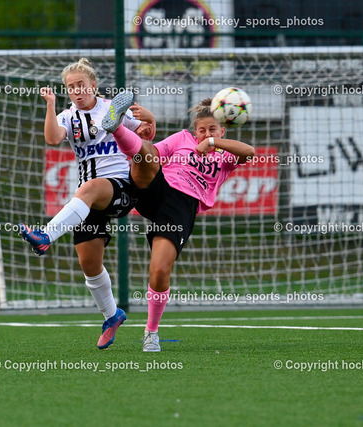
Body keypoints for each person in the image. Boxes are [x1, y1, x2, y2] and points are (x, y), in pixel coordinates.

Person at [18, 58, 156, 349]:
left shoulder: (111, 108)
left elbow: (145, 133)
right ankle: (111, 315)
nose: (77, 91)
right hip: (88, 198)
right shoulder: (68, 116)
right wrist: (51, 104)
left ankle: (45, 236)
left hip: (120, 188)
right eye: (71, 87)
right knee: (88, 263)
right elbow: (53, 138)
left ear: (93, 85)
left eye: (81, 85)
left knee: (91, 187)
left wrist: (148, 123)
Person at [101, 90, 255, 352]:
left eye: (213, 129)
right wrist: (145, 130)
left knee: (159, 271)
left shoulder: (225, 156)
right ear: (194, 131)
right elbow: (152, 152)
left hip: (181, 208)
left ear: (223, 130)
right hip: (156, 187)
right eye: (202, 130)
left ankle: (151, 332)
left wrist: (213, 144)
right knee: (145, 155)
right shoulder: (182, 139)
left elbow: (249, 152)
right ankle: (116, 127)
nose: (206, 134)